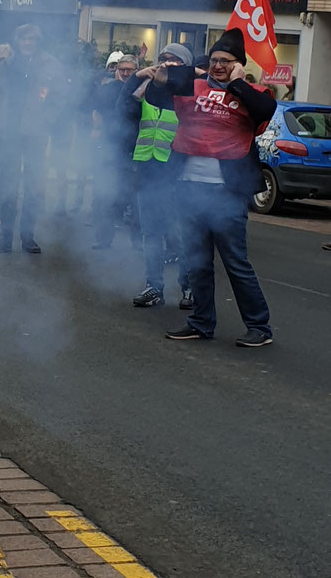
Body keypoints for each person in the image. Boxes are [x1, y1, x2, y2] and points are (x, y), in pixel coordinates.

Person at [146, 27, 276, 347]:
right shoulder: (192, 85)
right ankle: (201, 322)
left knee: (235, 262)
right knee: (196, 261)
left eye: (226, 61)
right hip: (189, 188)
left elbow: (264, 113)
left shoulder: (253, 92)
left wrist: (236, 83)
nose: (218, 65)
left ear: (239, 65)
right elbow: (153, 95)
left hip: (227, 195)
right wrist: (158, 77)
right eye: (215, 60)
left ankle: (259, 327)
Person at [128, 44, 194, 310]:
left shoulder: (191, 91)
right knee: (151, 234)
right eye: (163, 59)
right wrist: (137, 77)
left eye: (174, 60)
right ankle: (154, 287)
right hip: (147, 174)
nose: (166, 64)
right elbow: (122, 109)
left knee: (182, 235)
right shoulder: (148, 89)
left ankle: (189, 289)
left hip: (177, 176)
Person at [0, 24, 64, 253]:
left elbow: (60, 97)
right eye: (23, 39)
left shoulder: (50, 64)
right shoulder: (6, 63)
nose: (27, 43)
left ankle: (27, 236)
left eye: (31, 39)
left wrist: (47, 120)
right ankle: (5, 237)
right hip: (10, 132)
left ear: (37, 41)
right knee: (7, 187)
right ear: (18, 40)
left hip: (35, 133)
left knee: (33, 188)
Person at [91, 53, 141, 249]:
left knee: (137, 200)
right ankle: (103, 239)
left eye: (129, 70)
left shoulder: (144, 90)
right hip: (111, 149)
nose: (125, 73)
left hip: (136, 149)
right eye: (122, 70)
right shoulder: (108, 89)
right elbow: (96, 110)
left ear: (137, 70)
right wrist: (96, 130)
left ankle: (138, 242)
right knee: (107, 197)